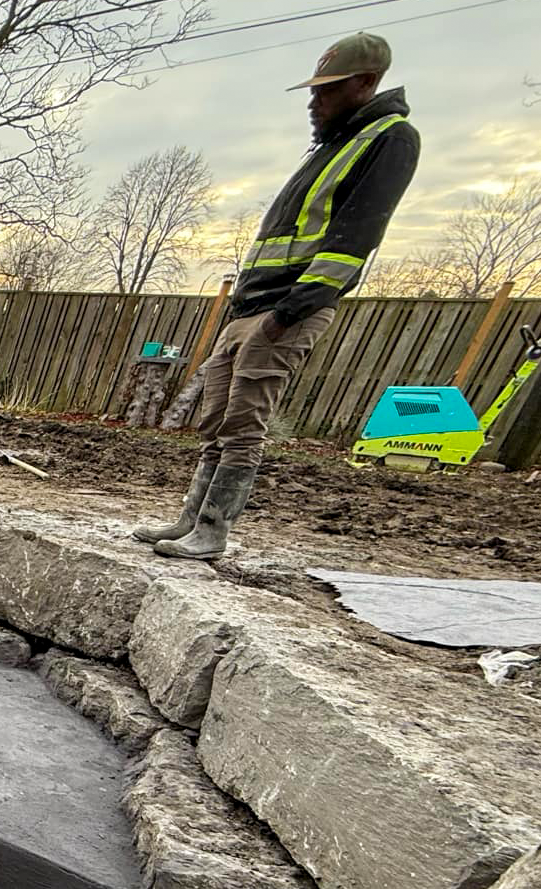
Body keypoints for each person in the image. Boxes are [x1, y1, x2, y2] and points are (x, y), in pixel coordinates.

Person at [134, 32, 420, 559]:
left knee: (245, 420)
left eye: (327, 90)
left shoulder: (389, 138)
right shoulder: (333, 143)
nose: (315, 101)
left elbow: (357, 233)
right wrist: (244, 305)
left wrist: (291, 310)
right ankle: (189, 520)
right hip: (250, 304)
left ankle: (214, 530)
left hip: (287, 307)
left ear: (366, 82)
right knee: (216, 418)